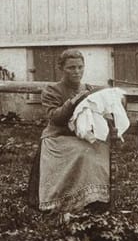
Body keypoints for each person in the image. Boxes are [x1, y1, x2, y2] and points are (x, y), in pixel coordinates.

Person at [29, 49, 112, 213]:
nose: (77, 71)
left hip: (84, 136)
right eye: (71, 68)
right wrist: (73, 101)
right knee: (83, 152)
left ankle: (95, 199)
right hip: (58, 137)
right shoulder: (52, 90)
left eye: (80, 67)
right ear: (61, 68)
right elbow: (55, 118)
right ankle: (65, 199)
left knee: (100, 148)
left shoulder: (88, 88)